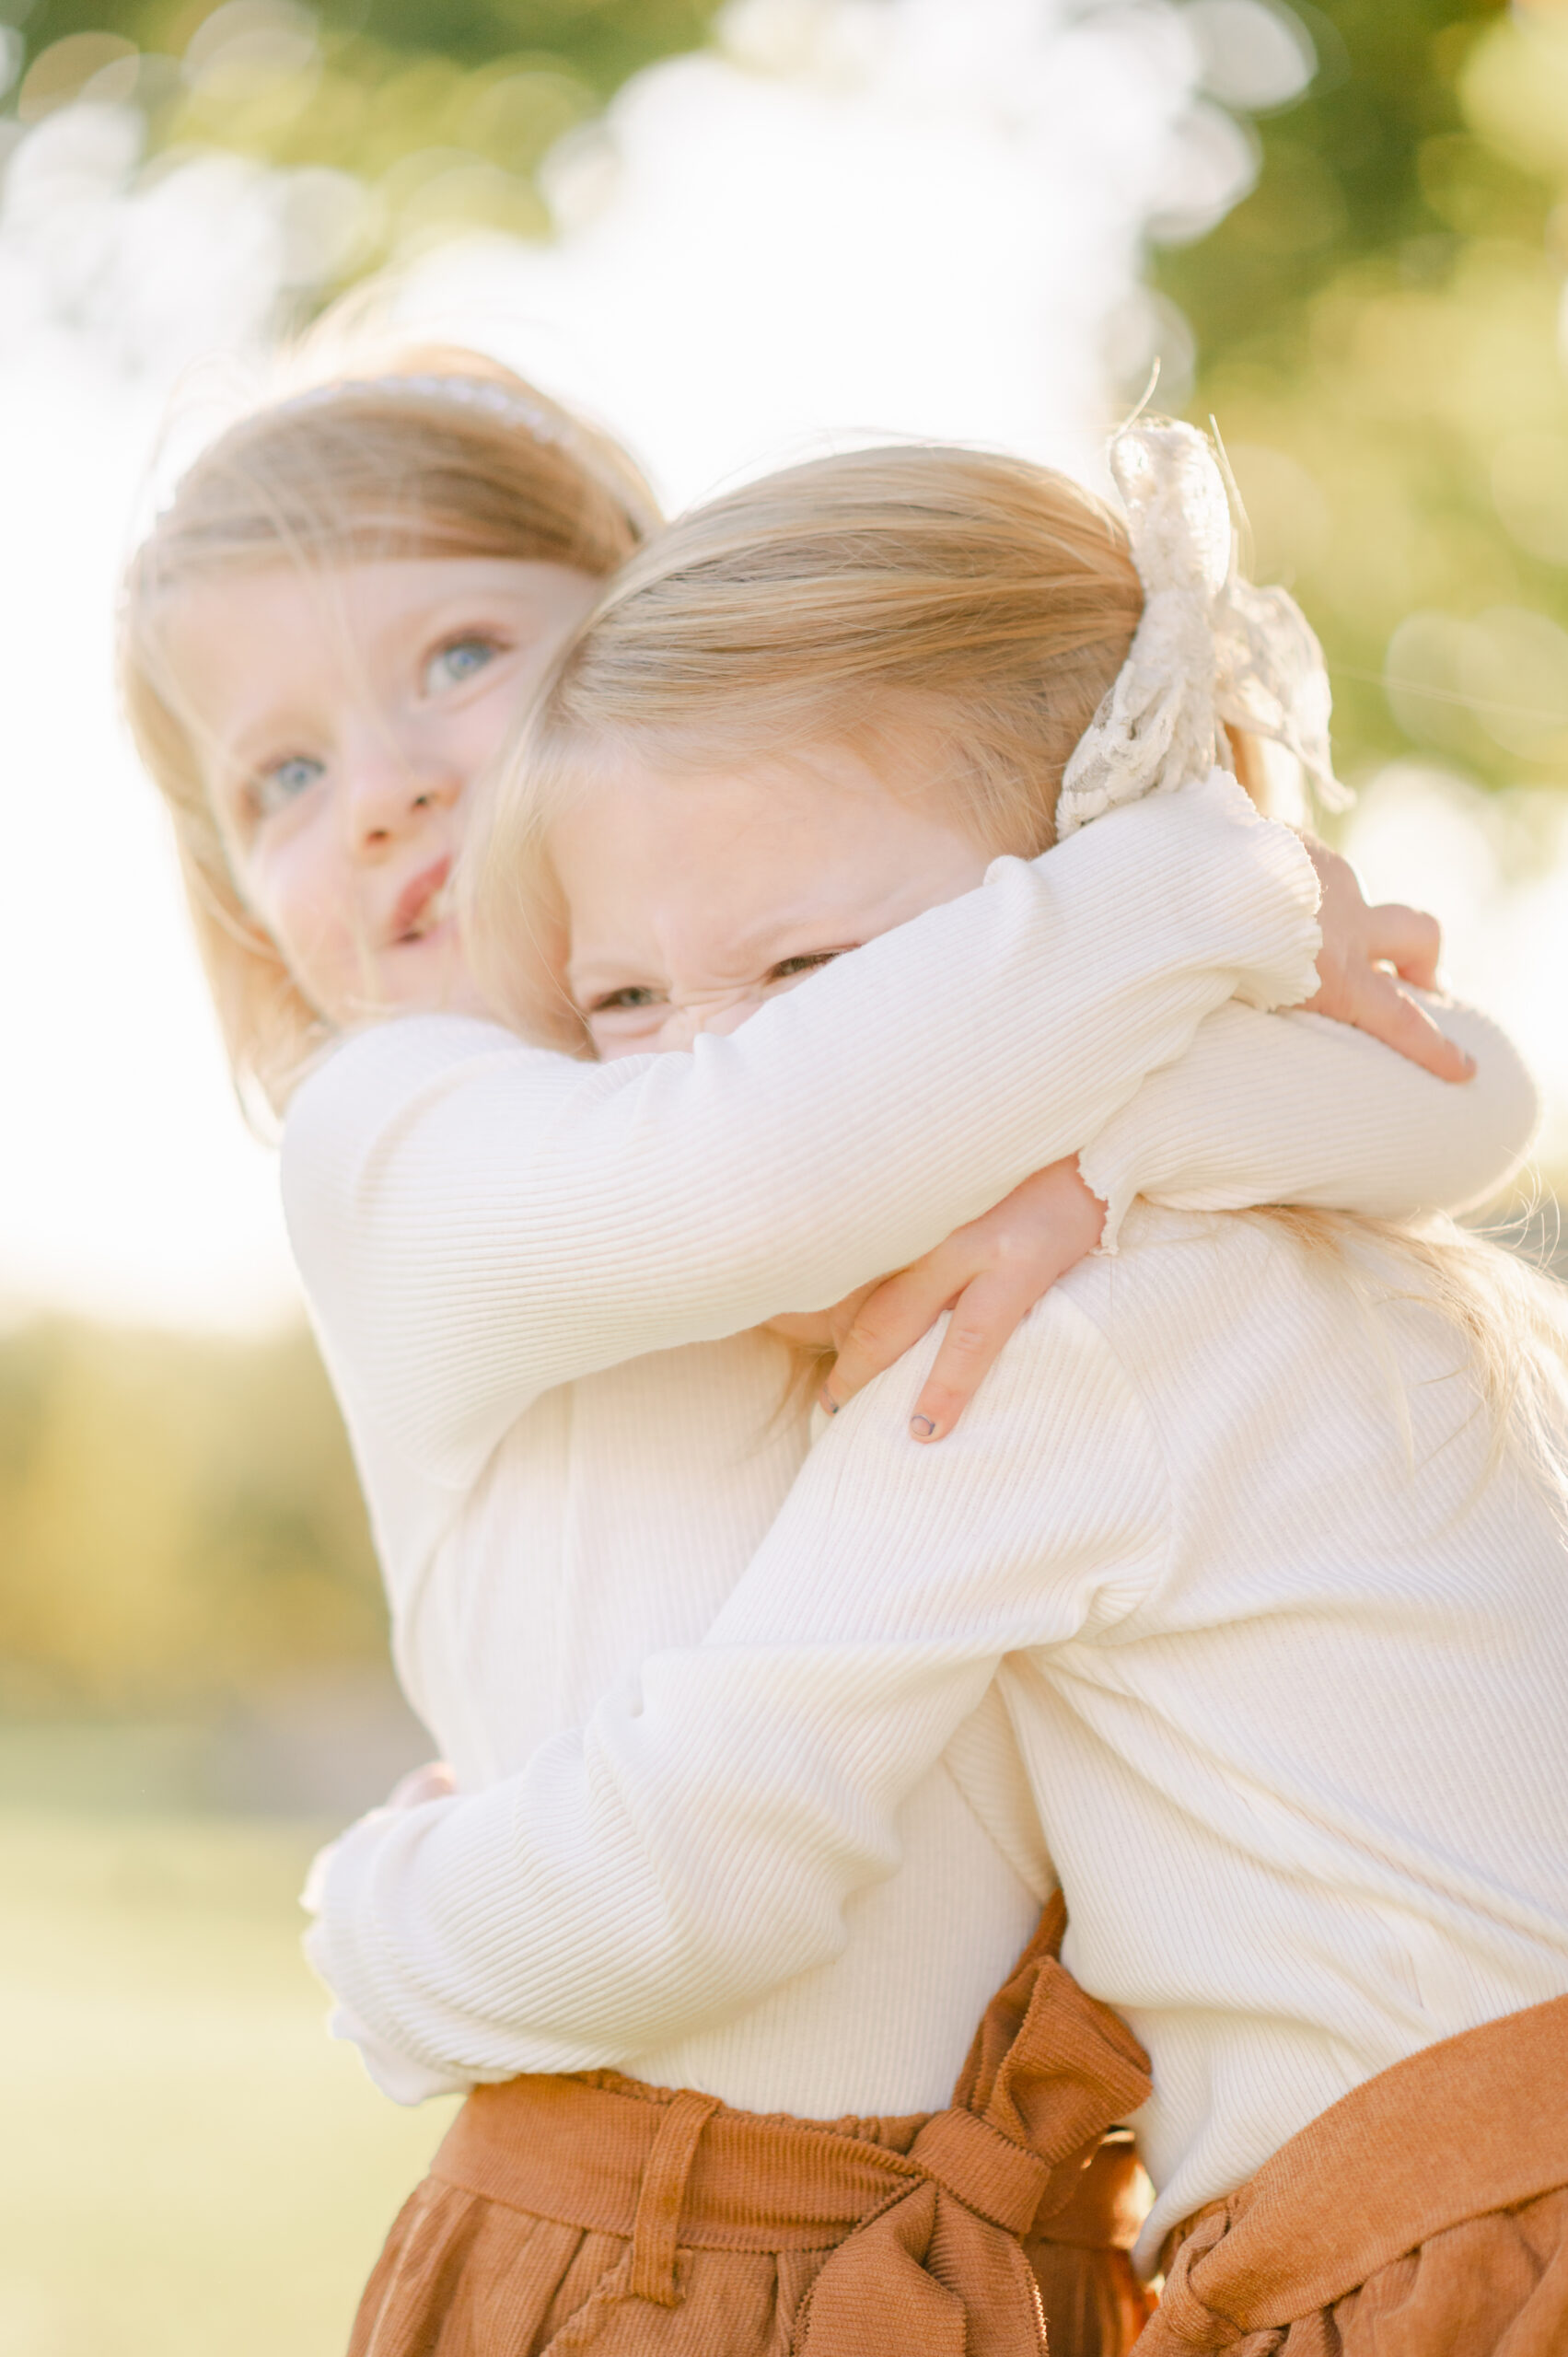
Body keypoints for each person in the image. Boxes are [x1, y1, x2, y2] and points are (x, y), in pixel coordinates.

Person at [121, 367, 1534, 2355]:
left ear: (653, 659)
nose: (382, 788)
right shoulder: (410, 1137)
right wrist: (1192, 875)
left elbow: (1450, 1096)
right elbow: (751, 1165)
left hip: (978, 2229)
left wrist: (1105, 1147)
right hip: (666, 2222)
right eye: (276, 775)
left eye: (460, 655)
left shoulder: (919, 1111)